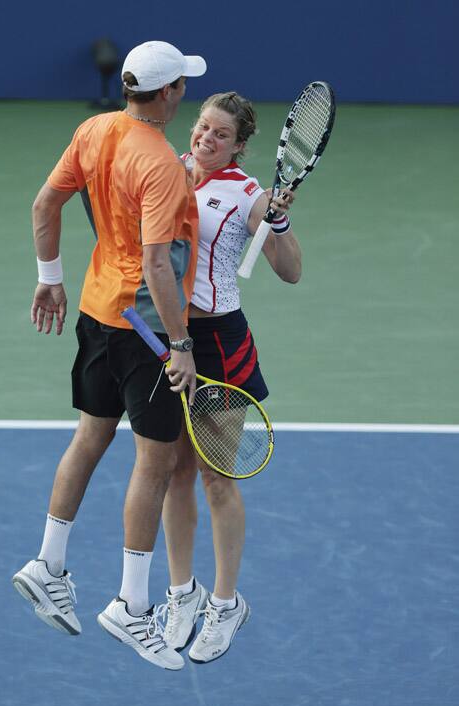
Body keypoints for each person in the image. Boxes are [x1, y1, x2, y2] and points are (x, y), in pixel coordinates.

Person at [12, 41, 207, 671]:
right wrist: (180, 344)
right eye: (183, 85)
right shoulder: (161, 165)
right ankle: (131, 605)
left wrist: (50, 276)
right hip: (146, 331)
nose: (186, 93)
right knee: (155, 463)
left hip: (97, 313)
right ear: (170, 92)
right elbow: (157, 263)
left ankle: (48, 562)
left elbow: (45, 203)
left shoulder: (95, 129)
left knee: (88, 439)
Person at [160, 92, 302, 663]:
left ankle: (224, 603)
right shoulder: (169, 171)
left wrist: (279, 220)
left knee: (217, 477)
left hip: (219, 344)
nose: (205, 138)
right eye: (202, 127)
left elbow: (291, 272)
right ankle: (180, 594)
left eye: (221, 135)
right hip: (170, 337)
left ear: (240, 146)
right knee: (172, 471)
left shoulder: (249, 196)